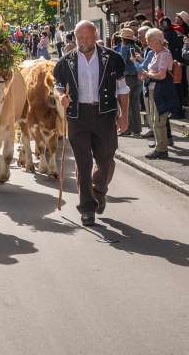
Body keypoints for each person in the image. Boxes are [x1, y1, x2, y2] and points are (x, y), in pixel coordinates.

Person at [53, 20, 129, 226]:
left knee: (106, 159)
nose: (83, 42)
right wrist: (61, 97)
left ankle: (99, 190)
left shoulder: (112, 59)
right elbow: (58, 86)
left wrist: (124, 115)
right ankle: (87, 208)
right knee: (83, 163)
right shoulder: (65, 62)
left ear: (95, 36)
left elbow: (122, 89)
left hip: (104, 114)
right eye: (79, 38)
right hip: (78, 116)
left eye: (87, 37)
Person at [139, 28, 178, 160]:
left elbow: (161, 75)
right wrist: (147, 76)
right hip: (154, 89)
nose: (148, 44)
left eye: (150, 41)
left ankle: (161, 149)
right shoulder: (156, 53)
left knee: (158, 121)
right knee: (155, 120)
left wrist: (147, 74)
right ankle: (159, 145)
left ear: (157, 41)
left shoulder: (164, 54)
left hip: (161, 90)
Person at [118, 28, 143, 137]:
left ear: (123, 39)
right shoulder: (137, 47)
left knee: (125, 105)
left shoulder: (124, 48)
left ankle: (126, 129)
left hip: (128, 77)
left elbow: (121, 63)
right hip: (138, 77)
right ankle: (137, 129)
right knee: (135, 104)